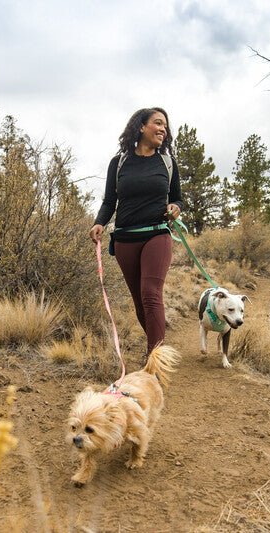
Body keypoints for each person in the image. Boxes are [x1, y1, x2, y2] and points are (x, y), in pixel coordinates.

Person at [89, 107, 183, 358]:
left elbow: (177, 199)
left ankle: (155, 360)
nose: (163, 128)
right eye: (158, 123)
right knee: (140, 302)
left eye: (166, 125)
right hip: (125, 239)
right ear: (141, 127)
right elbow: (110, 201)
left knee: (151, 295)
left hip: (157, 234)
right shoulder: (118, 163)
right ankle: (157, 349)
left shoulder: (167, 162)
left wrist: (175, 208)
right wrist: (100, 223)